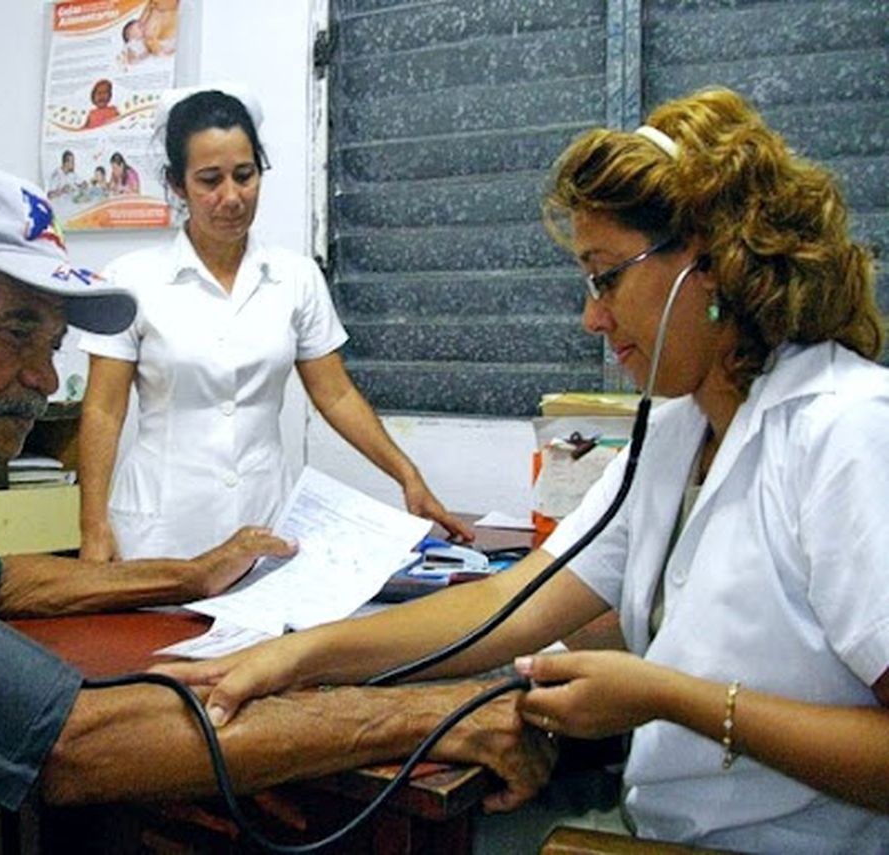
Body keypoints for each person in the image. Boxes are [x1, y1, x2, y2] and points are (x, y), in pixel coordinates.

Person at [158, 87, 889, 853]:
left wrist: (670, 696)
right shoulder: (677, 432)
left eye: (606, 277)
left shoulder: (842, 432)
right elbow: (513, 598)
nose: (592, 317)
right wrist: (297, 651)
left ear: (708, 258)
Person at [0, 166, 554, 852]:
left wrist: (187, 572)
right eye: (16, 333)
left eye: (53, 343)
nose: (42, 378)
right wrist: (434, 714)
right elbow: (68, 743)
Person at [77, 85, 474, 563]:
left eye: (245, 176)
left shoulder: (295, 278)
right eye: (209, 180)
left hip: (263, 516)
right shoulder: (130, 280)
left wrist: (407, 476)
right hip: (160, 528)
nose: (231, 197)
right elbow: (103, 411)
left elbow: (336, 394)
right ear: (178, 185)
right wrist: (93, 527)